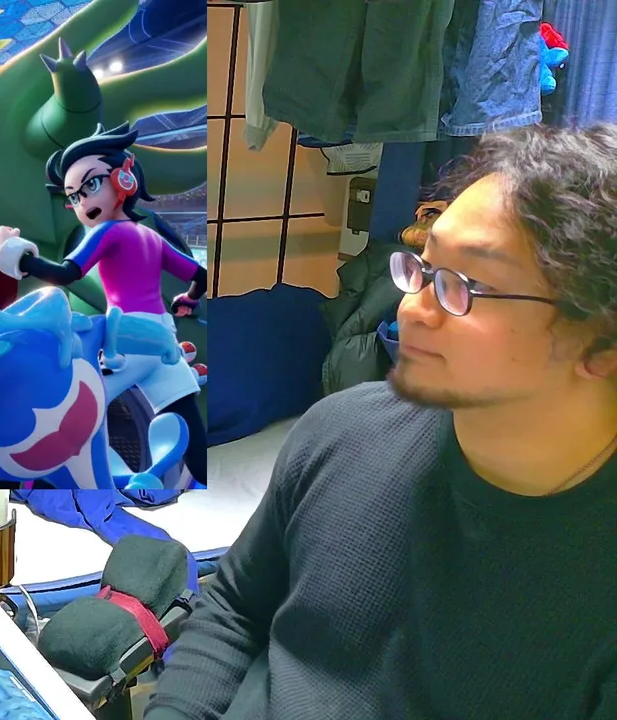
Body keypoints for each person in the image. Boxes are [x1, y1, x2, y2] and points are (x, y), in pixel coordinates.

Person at [145, 124, 617, 719]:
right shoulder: (343, 430)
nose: (411, 309)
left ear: (601, 343)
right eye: (424, 267)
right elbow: (235, 610)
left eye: (465, 287)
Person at [0, 123, 208, 486]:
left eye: (90, 186)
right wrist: (189, 298)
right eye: (73, 197)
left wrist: (14, 252)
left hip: (129, 342)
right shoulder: (150, 237)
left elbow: (65, 273)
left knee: (64, 412)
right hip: (164, 342)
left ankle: (38, 485)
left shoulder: (108, 232)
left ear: (124, 178)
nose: (82, 203)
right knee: (187, 425)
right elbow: (200, 274)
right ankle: (198, 487)